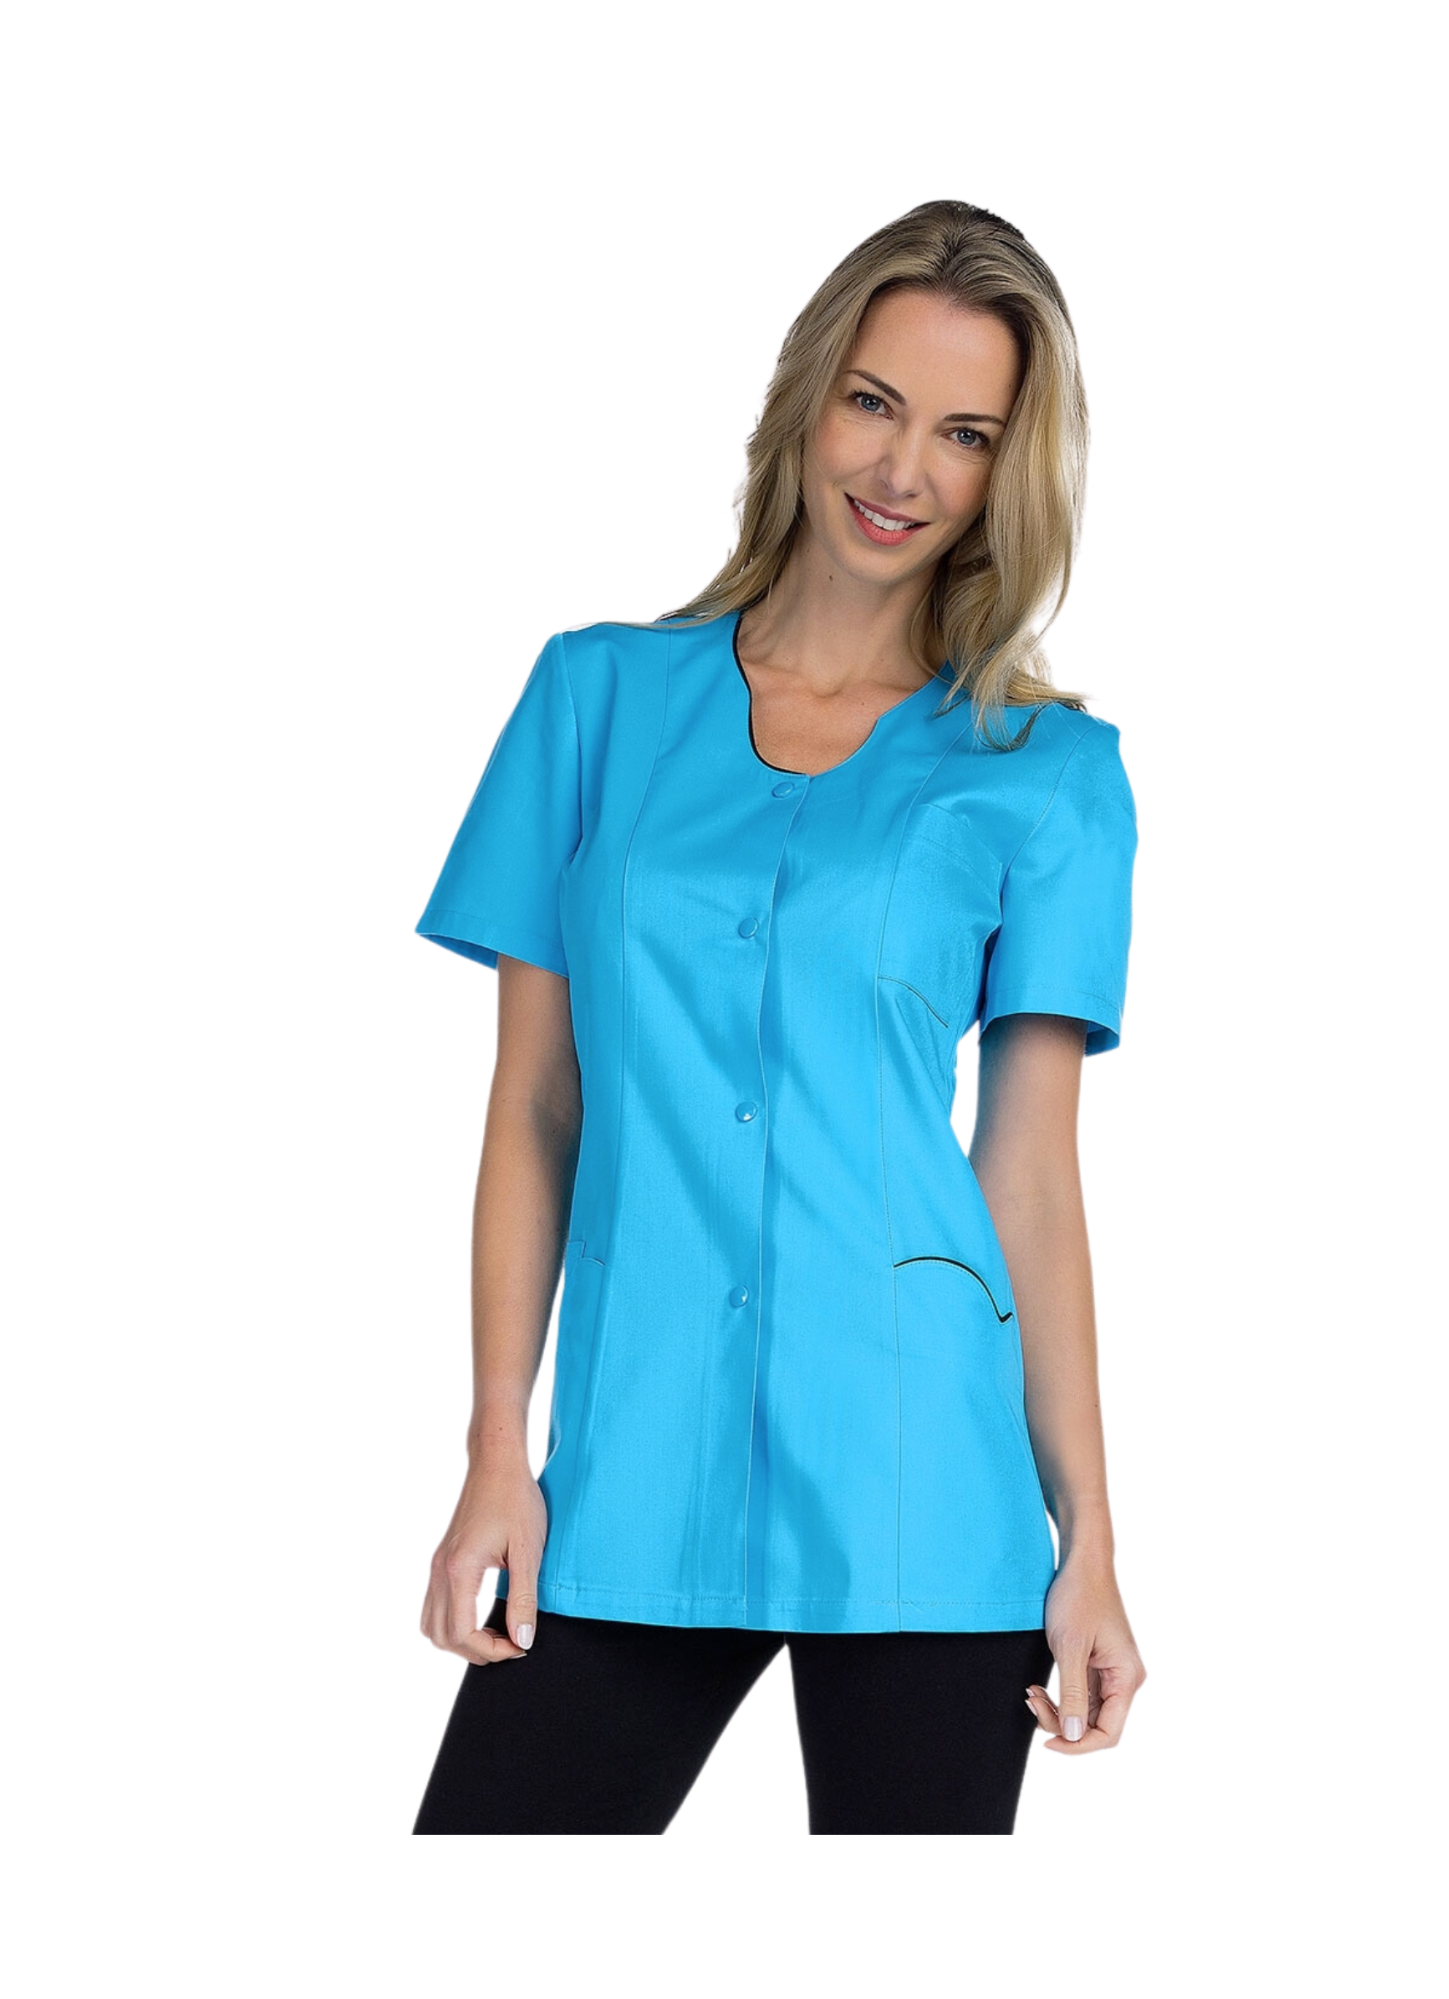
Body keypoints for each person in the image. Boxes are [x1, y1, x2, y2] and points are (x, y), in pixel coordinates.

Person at [410, 199, 1145, 1835]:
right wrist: (494, 1448)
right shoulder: (595, 699)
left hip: (925, 1484)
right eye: (875, 403)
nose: (902, 470)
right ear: (808, 399)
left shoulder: (1050, 776)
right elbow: (538, 1106)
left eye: (965, 434)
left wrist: (1088, 1539)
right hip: (629, 1471)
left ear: (1007, 474)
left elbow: (1028, 1175)